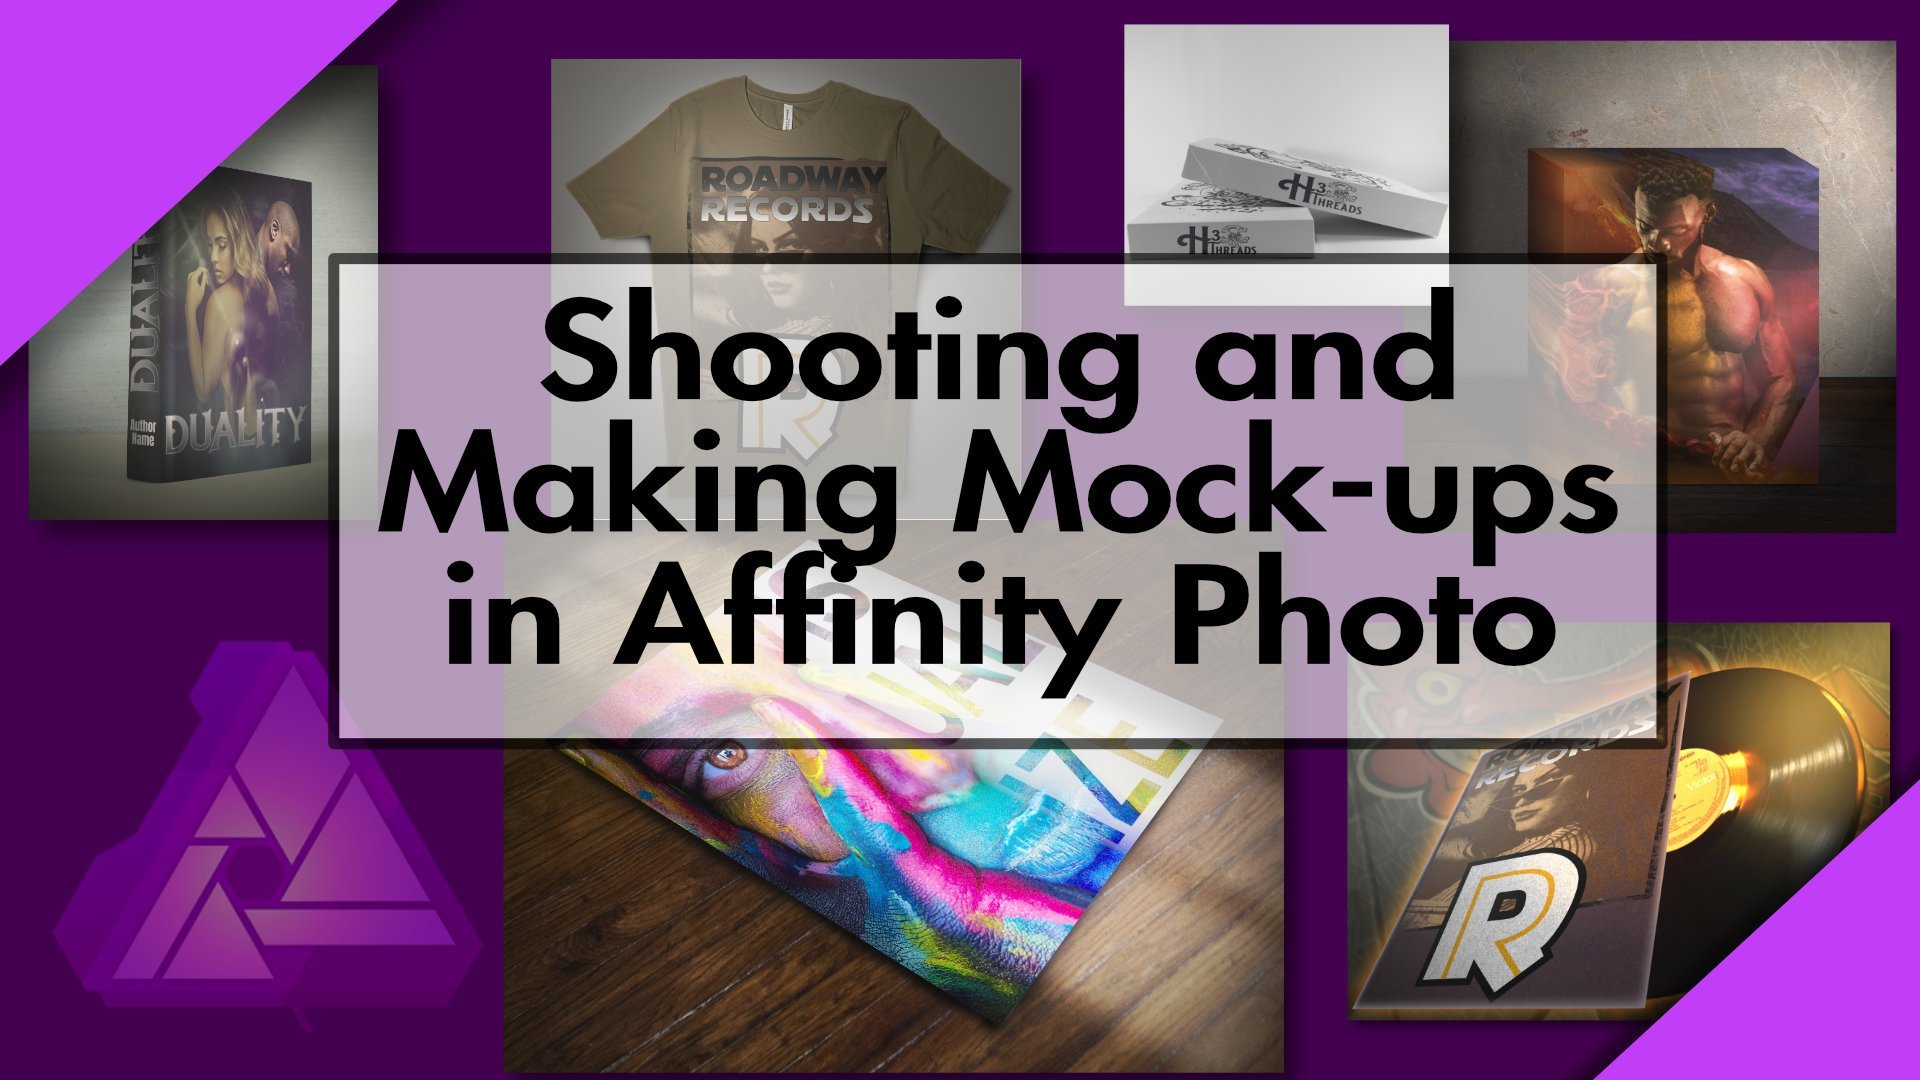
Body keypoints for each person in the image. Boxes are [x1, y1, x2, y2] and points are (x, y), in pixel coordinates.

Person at [183, 190, 279, 429]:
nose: (213, 257)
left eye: (221, 245)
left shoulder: (220, 302)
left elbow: (204, 392)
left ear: (239, 240)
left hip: (229, 436)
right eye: (209, 245)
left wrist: (189, 312)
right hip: (268, 427)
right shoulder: (266, 288)